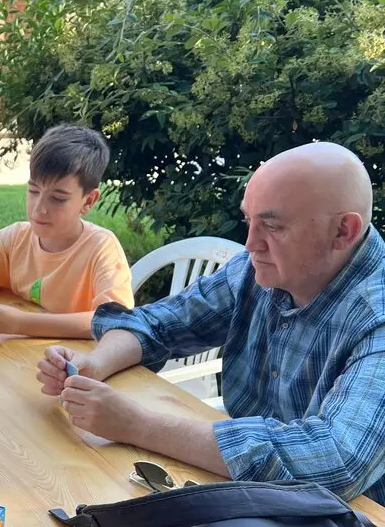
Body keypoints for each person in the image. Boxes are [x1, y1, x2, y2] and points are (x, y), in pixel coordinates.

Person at [36, 141, 385, 504]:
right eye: (250, 221)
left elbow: (335, 463)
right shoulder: (259, 270)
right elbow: (161, 322)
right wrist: (94, 364)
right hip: (251, 498)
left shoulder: (376, 317)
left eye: (273, 226)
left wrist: (138, 425)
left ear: (343, 231)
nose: (250, 245)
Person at [0, 125, 133, 338]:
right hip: (19, 361)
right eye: (33, 191)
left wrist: (21, 323)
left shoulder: (101, 248)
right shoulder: (14, 239)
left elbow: (113, 321)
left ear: (88, 200)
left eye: (58, 198)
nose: (39, 208)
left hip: (78, 365)